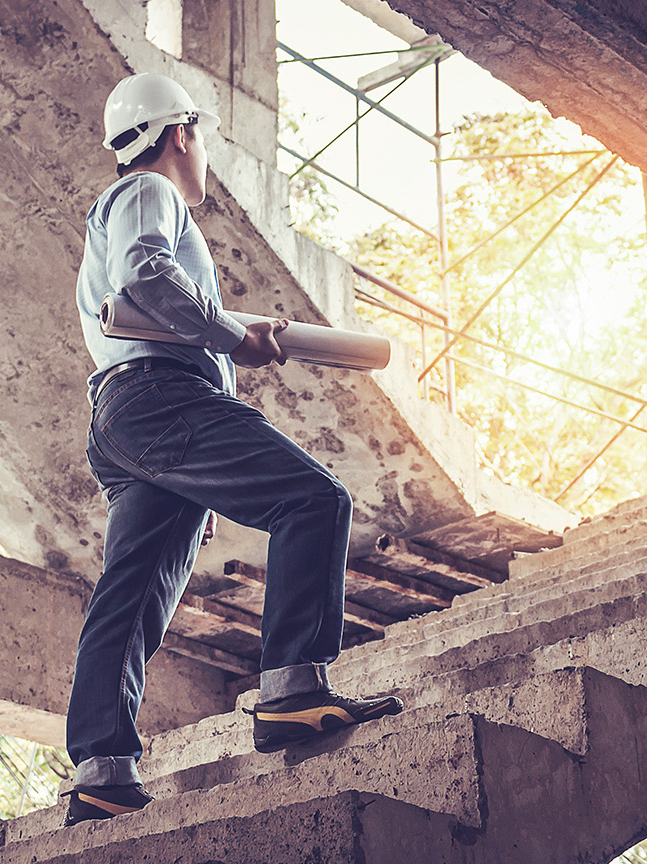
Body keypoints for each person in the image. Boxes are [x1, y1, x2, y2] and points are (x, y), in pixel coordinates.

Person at [62, 73, 403, 826]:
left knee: (134, 590)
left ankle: (102, 770)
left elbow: (137, 296)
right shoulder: (150, 194)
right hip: (162, 399)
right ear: (181, 133)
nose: (205, 150)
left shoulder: (119, 204)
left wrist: (190, 474)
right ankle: (291, 689)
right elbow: (146, 276)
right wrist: (230, 335)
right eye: (203, 135)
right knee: (315, 499)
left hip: (130, 418)